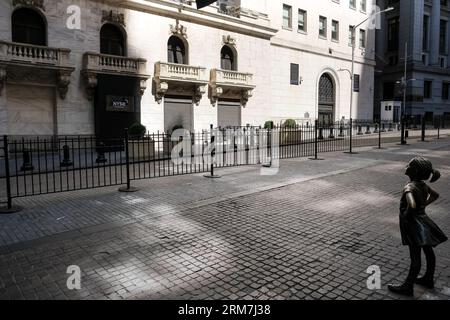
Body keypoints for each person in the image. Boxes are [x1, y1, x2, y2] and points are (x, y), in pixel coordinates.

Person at [388, 156, 448, 296]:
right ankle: (428, 278)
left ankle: (408, 286)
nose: (406, 167)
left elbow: (412, 204)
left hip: (413, 224)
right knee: (428, 251)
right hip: (424, 221)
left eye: (409, 165)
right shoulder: (424, 185)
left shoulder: (409, 187)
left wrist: (406, 214)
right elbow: (436, 195)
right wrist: (424, 205)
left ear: (414, 171)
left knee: (415, 256)